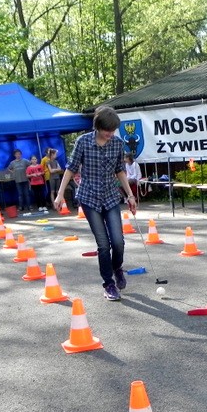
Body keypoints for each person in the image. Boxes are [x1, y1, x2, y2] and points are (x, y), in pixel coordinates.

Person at [53, 106, 136, 302]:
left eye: (113, 130)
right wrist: (60, 195)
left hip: (110, 196)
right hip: (89, 198)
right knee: (103, 244)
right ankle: (108, 284)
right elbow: (71, 168)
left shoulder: (117, 143)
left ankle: (117, 268)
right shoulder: (83, 142)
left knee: (118, 241)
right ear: (97, 126)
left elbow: (120, 171)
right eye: (107, 130)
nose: (110, 134)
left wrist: (130, 195)